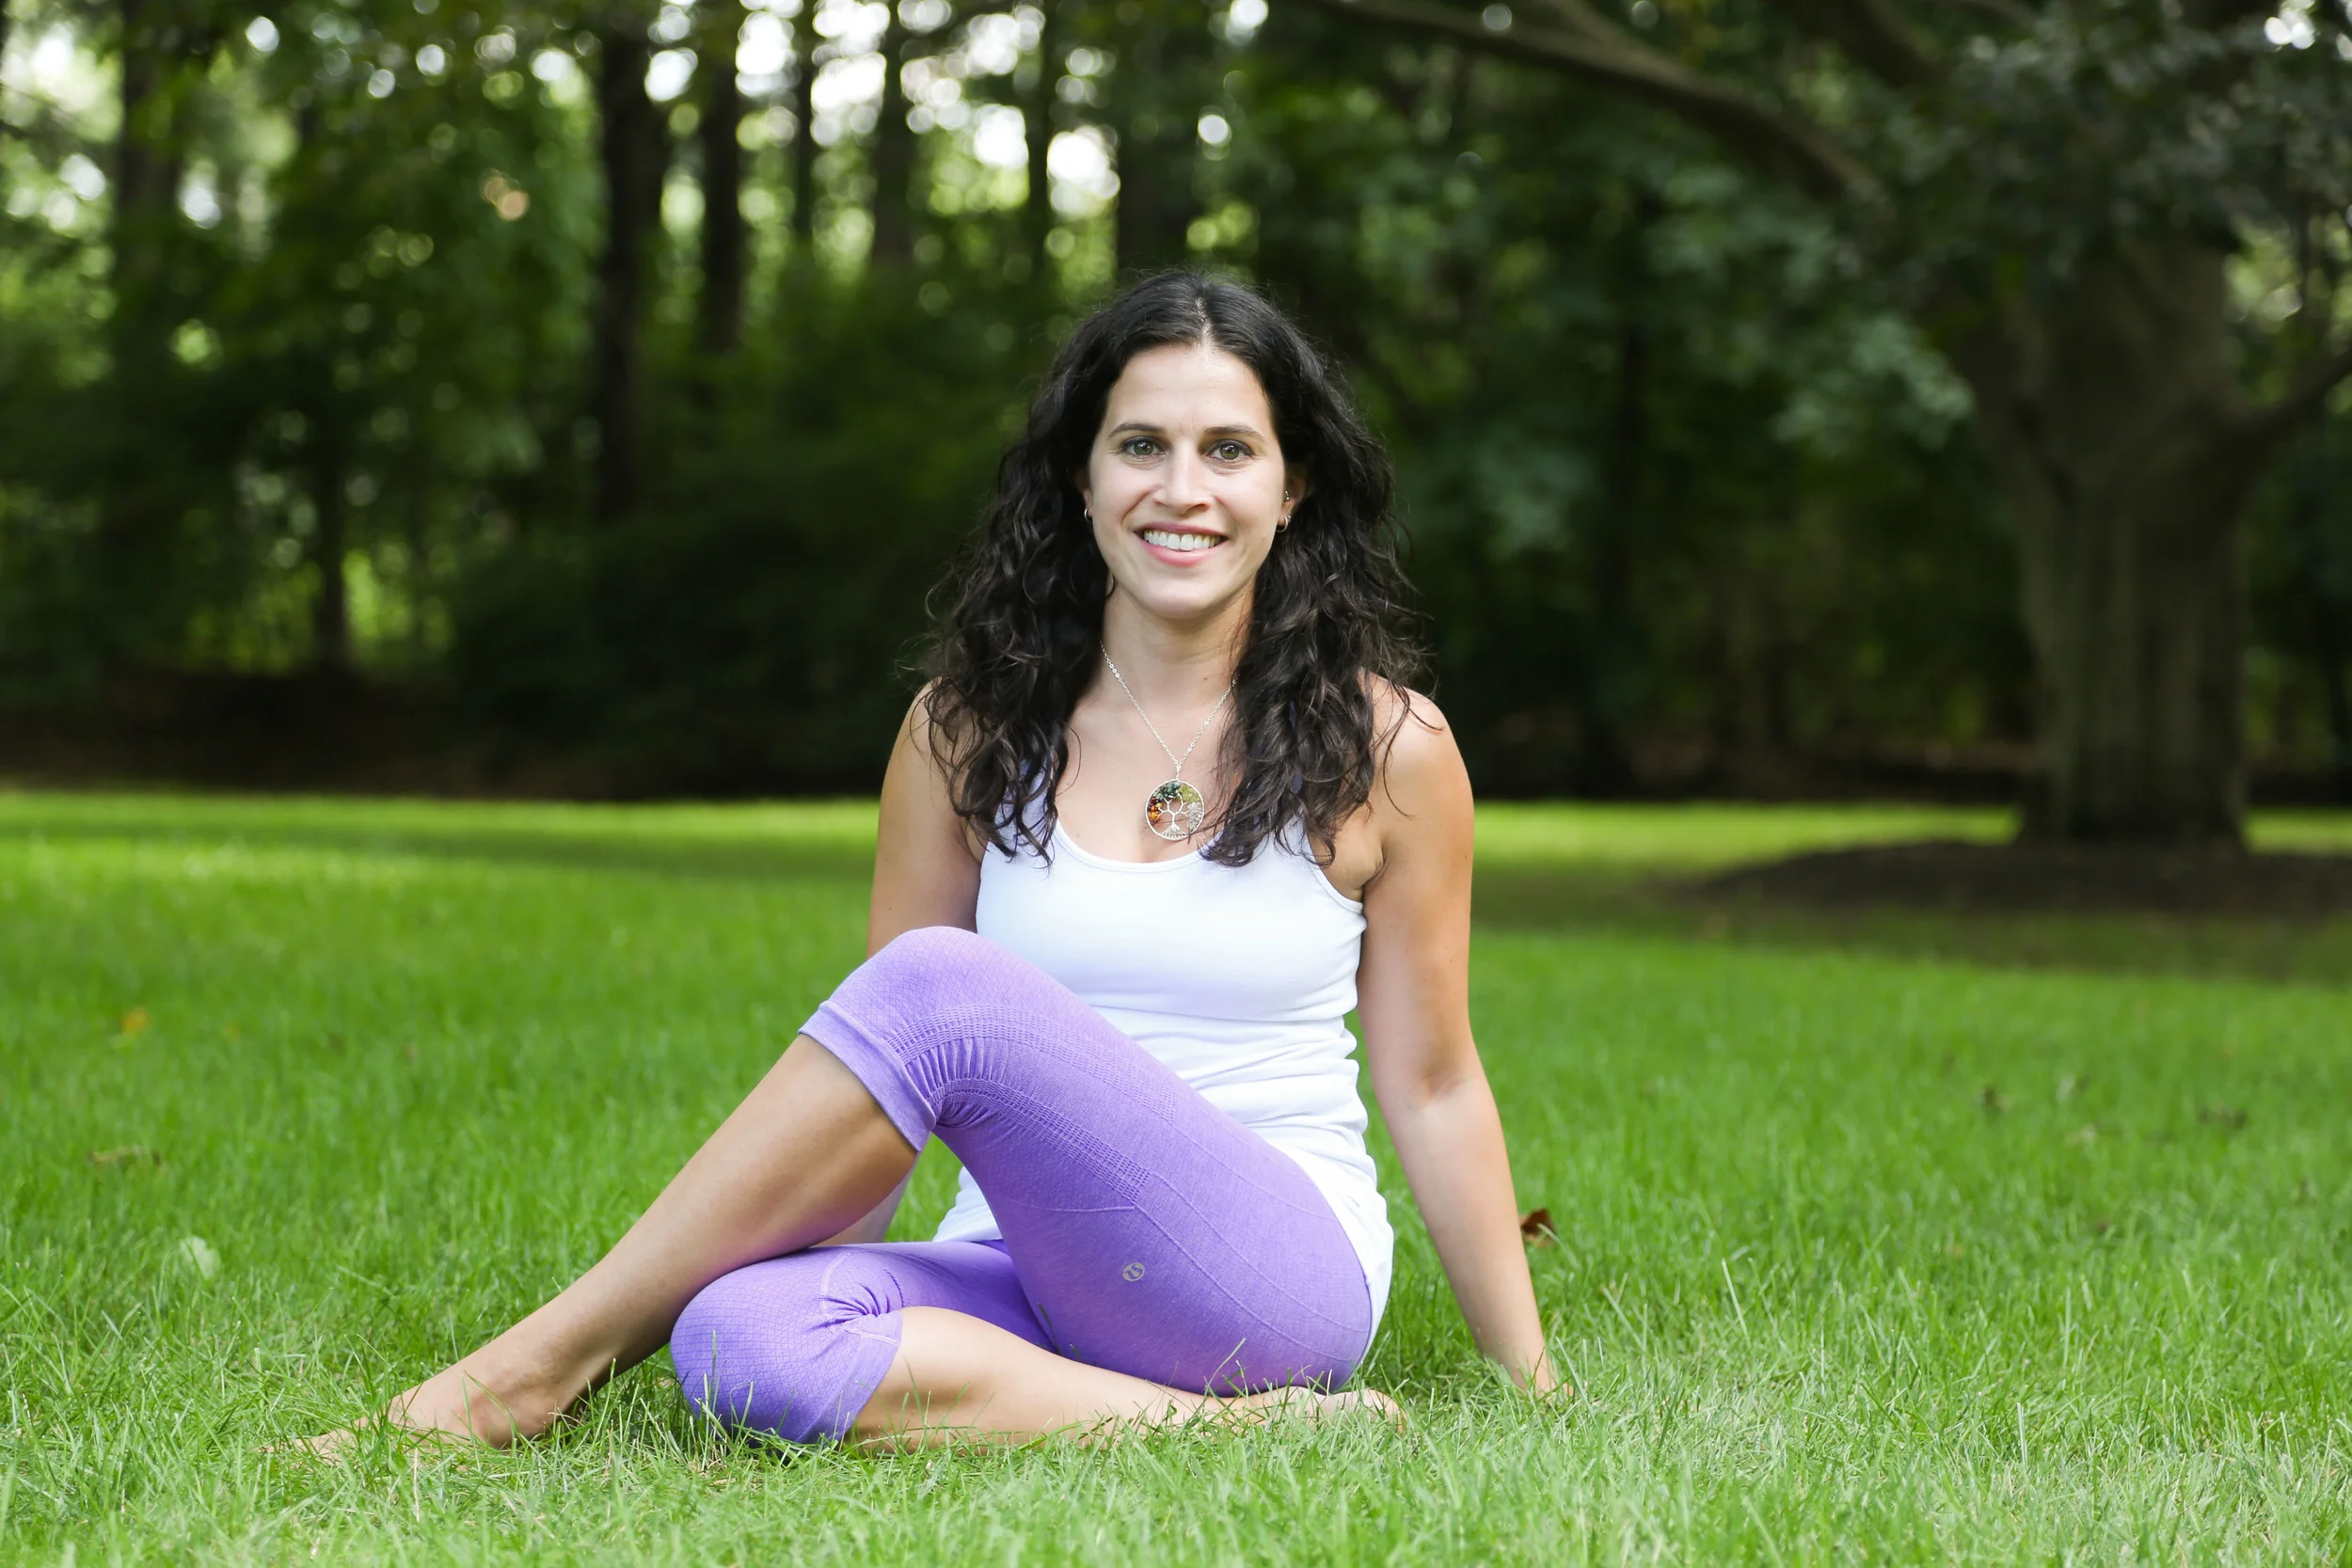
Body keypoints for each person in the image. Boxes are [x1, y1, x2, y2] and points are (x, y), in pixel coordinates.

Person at [327, 271, 1556, 1452]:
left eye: (1229, 450)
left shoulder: (1388, 748)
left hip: (1270, 1278)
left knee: (941, 984)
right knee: (734, 1336)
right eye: (1140, 445)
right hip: (1018, 1266)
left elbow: (1435, 1084)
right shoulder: (965, 731)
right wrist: (822, 1277)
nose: (1182, 489)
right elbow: (880, 1080)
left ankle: (522, 1378)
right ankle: (1229, 1429)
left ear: (1293, 488)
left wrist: (1532, 1379)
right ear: (1081, 474)